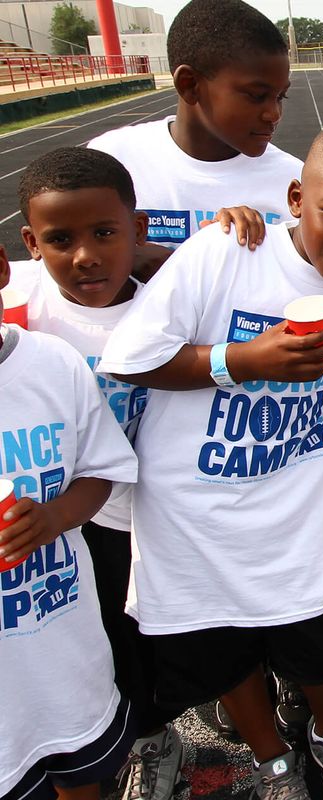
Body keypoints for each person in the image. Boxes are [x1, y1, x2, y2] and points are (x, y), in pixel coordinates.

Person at [97, 122, 323, 800]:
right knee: (224, 654)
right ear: (297, 198)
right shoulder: (224, 251)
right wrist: (240, 360)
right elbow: (130, 360)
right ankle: (274, 760)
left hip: (302, 512)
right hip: (199, 517)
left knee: (320, 651)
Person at [10, 147, 186, 800]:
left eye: (104, 234)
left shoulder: (168, 303)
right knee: (116, 647)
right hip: (90, 523)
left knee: (180, 641)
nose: (85, 256)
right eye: (60, 240)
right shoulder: (28, 310)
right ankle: (150, 740)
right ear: (30, 246)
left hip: (172, 513)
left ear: (137, 232)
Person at [0, 251, 139, 800]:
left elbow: (101, 470)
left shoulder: (50, 364)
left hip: (62, 655)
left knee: (83, 778)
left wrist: (55, 515)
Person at [88, 0, 302, 276]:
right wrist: (130, 256)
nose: (274, 114)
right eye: (257, 96)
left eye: (280, 96)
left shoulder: (295, 182)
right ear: (189, 85)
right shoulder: (111, 160)